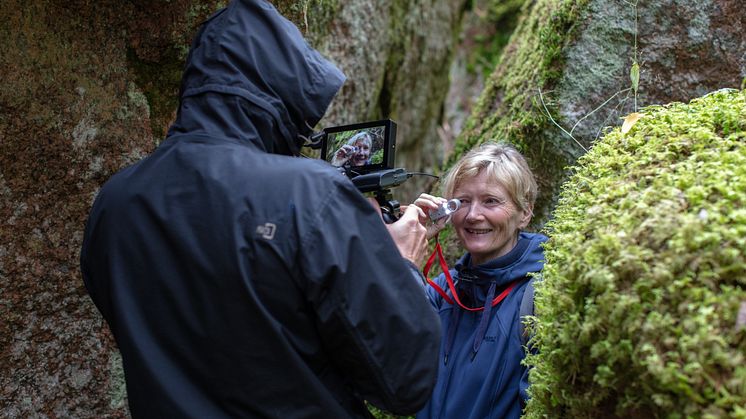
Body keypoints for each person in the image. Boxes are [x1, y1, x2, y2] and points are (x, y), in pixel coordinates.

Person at [79, 1, 441, 418]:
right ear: (281, 95)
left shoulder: (115, 202)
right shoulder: (311, 194)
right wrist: (400, 267)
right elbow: (406, 379)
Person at [412, 142, 548, 419]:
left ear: (525, 212)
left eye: (491, 201)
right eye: (462, 201)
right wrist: (409, 241)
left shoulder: (540, 293)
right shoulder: (443, 292)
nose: (473, 215)